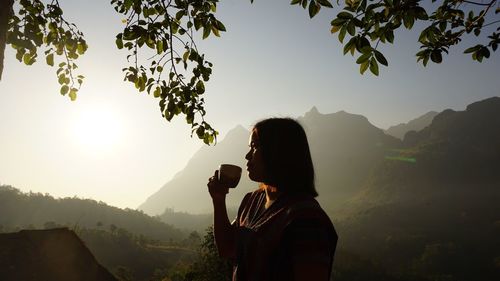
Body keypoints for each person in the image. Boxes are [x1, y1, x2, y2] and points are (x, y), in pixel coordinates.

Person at [207, 118, 338, 281]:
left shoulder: (307, 219)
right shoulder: (252, 201)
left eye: (254, 147)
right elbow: (227, 248)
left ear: (278, 151)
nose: (247, 156)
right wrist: (218, 200)